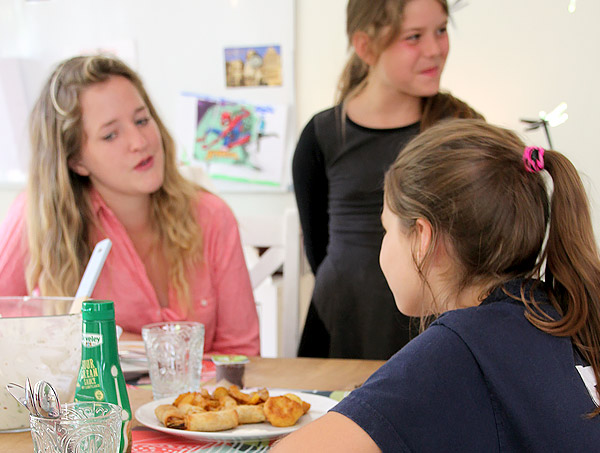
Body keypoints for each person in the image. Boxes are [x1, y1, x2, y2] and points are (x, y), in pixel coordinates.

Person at [274, 118, 600, 451]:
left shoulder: (458, 348)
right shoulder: (557, 314)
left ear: (422, 239)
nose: (383, 246)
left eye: (387, 229)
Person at [0, 55, 260, 356]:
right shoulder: (36, 217)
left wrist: (125, 344)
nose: (140, 141)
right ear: (76, 161)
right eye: (111, 134)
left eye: (141, 120)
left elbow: (240, 355)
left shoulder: (212, 216)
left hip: (198, 402)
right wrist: (63, 334)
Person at [293, 0, 483, 359]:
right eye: (414, 37)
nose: (435, 49)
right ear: (366, 46)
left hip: (434, 338)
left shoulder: (461, 129)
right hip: (340, 332)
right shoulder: (319, 138)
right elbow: (318, 252)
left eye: (441, 30)